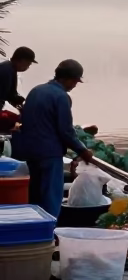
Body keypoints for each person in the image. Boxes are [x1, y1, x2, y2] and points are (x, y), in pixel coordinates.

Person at [12, 59, 93, 217]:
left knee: (35, 195)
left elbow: (24, 120)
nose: (75, 85)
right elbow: (66, 131)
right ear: (68, 78)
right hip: (49, 155)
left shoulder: (36, 91)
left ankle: (35, 231)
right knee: (51, 197)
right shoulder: (61, 97)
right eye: (75, 81)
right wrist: (82, 151)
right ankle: (49, 232)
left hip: (30, 153)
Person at [0, 46, 36, 110]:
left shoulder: (10, 68)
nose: (28, 66)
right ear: (23, 60)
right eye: (28, 63)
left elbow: (10, 93)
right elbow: (4, 94)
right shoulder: (6, 71)